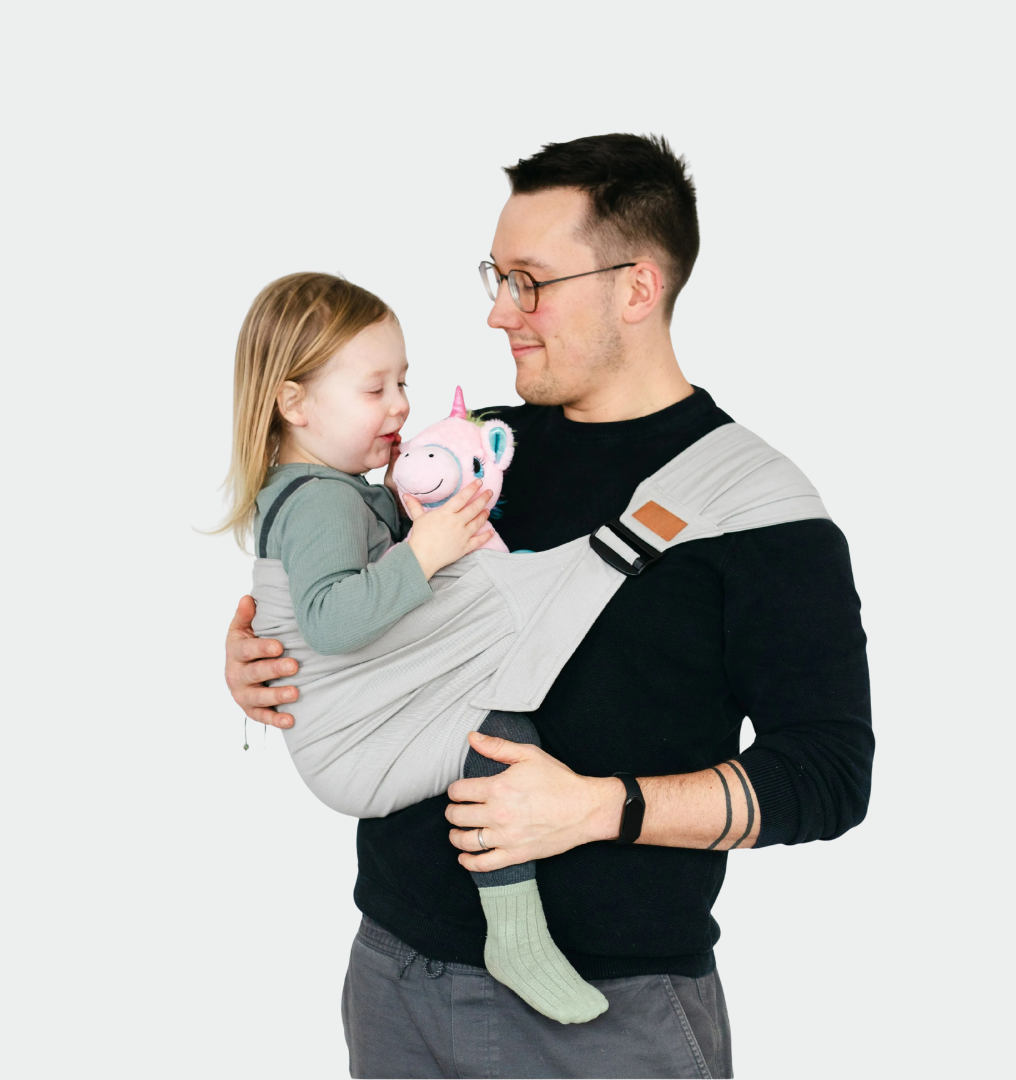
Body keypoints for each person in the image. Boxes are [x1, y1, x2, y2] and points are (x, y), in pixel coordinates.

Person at [225, 133, 874, 1079]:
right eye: (498, 277)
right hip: (393, 977)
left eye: (529, 282)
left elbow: (828, 776)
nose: (498, 312)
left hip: (612, 1019)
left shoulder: (758, 512)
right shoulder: (466, 453)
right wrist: (267, 659)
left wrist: (602, 808)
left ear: (637, 289)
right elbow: (343, 590)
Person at [222, 271, 608, 1024]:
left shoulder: (334, 488)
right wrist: (425, 552)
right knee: (501, 739)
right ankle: (517, 935)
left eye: (403, 382)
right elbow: (331, 624)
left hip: (356, 743)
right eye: (375, 389)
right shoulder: (323, 500)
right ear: (294, 404)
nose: (400, 406)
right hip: (352, 745)